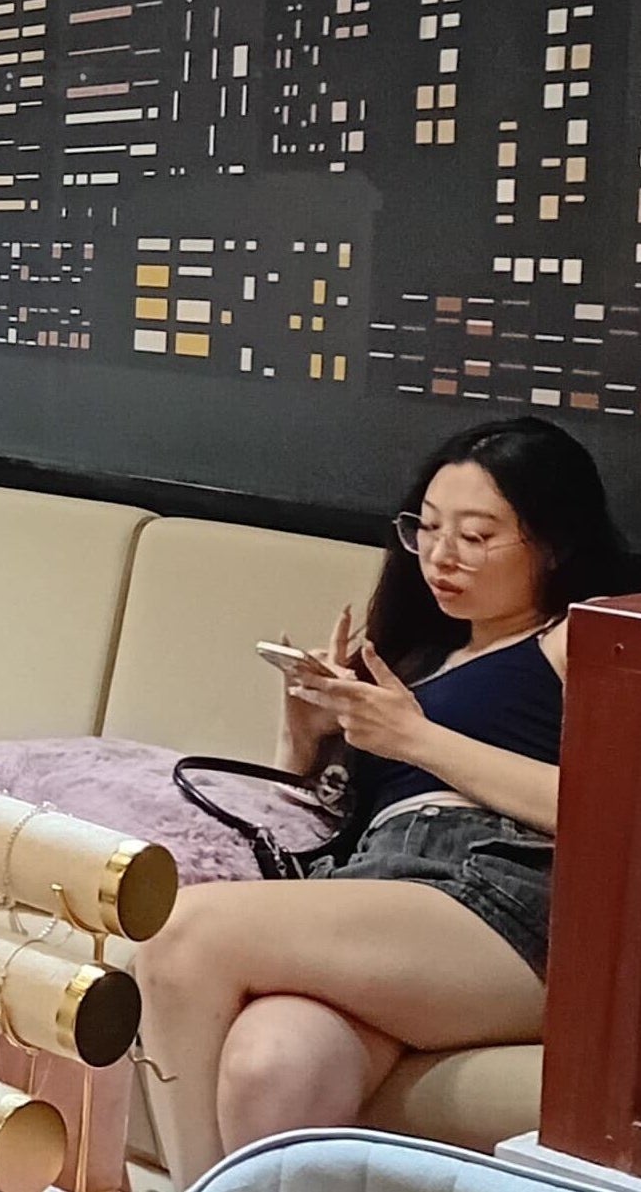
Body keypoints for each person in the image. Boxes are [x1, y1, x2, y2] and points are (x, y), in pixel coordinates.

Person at [136, 417, 621, 1183]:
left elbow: (612, 813)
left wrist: (415, 737)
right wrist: (302, 740)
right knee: (273, 1062)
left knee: (181, 929)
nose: (440, 555)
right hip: (377, 883)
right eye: (425, 528)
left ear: (553, 542)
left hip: (503, 892)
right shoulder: (421, 655)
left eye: (476, 534)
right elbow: (320, 823)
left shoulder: (580, 636)